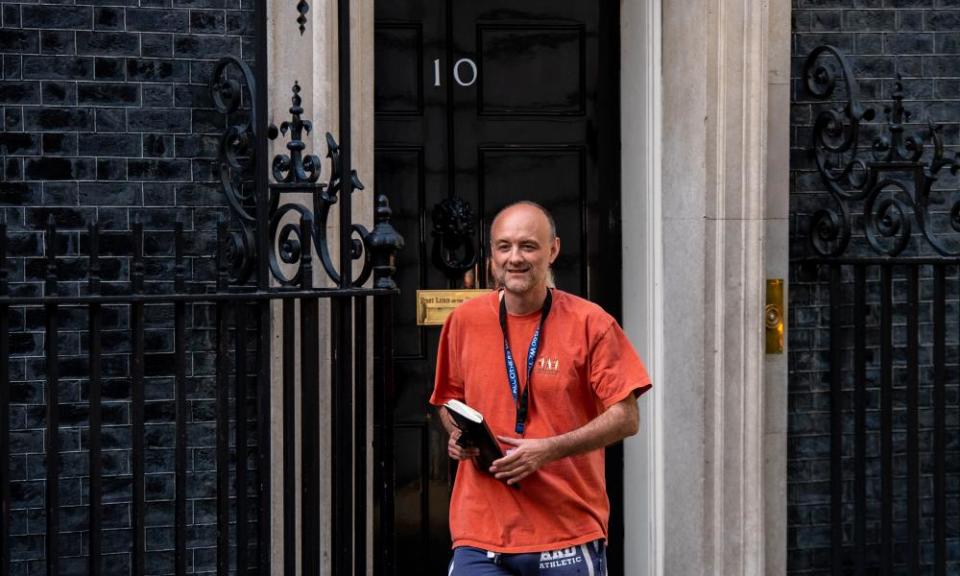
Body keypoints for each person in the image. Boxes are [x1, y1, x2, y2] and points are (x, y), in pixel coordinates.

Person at [429, 201, 652, 575]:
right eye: (504, 246)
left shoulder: (591, 323)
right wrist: (456, 433)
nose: (515, 258)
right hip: (478, 533)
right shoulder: (463, 322)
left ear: (553, 251)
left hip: (565, 533)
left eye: (528, 246)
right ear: (492, 254)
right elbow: (447, 401)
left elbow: (627, 418)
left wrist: (549, 450)